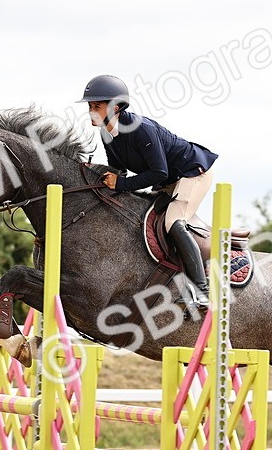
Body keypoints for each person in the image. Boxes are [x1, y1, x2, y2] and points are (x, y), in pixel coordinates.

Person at [78, 74, 217, 309]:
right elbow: (118, 170)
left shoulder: (141, 129)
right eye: (90, 106)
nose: (91, 111)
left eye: (97, 106)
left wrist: (120, 185)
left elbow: (159, 173)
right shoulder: (106, 133)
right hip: (168, 180)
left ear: (116, 107)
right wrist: (91, 172)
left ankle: (201, 291)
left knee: (173, 222)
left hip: (192, 173)